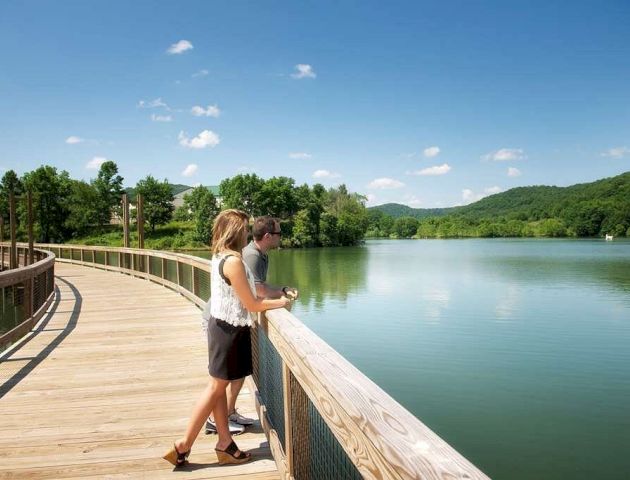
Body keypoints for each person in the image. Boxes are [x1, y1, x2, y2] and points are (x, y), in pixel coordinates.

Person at [163, 209, 291, 467]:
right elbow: (253, 304)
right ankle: (183, 444)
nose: (247, 233)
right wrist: (281, 302)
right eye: (244, 229)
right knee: (214, 389)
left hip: (221, 326)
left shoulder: (220, 256)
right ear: (235, 232)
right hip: (228, 332)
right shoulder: (233, 262)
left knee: (218, 389)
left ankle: (225, 443)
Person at [204, 215, 299, 434]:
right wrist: (281, 301)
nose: (281, 237)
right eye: (279, 234)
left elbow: (259, 288)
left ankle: (228, 413)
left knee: (236, 375)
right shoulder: (249, 256)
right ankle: (211, 423)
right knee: (221, 380)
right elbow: (258, 294)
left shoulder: (259, 255)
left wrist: (282, 290)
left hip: (234, 320)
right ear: (268, 236)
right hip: (224, 320)